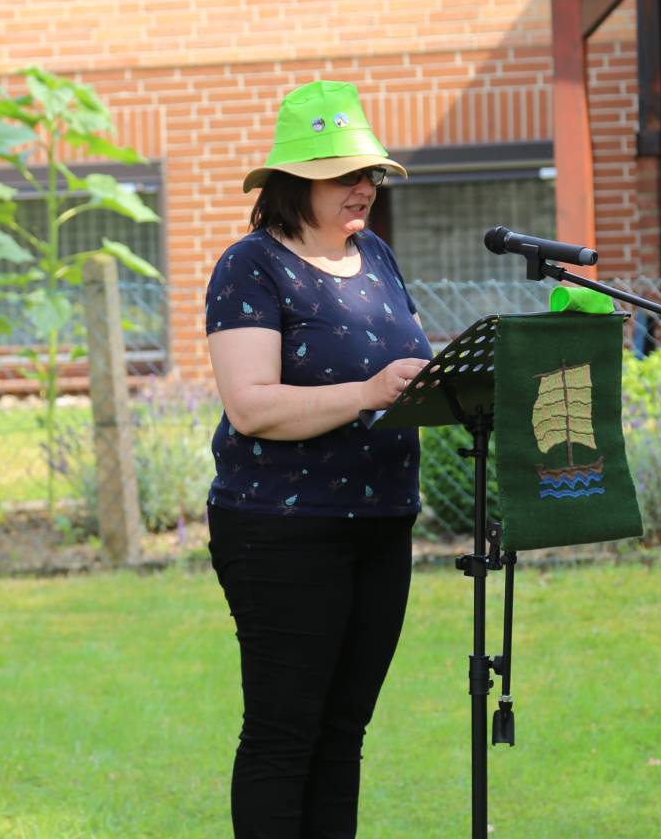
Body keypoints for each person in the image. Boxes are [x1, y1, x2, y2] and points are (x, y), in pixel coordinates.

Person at [205, 79, 433, 837]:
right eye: (345, 174)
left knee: (344, 735)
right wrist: (368, 391)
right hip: (281, 533)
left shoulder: (376, 258)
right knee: (284, 734)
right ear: (293, 184)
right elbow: (252, 405)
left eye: (368, 173)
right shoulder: (250, 266)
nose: (364, 187)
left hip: (380, 526)